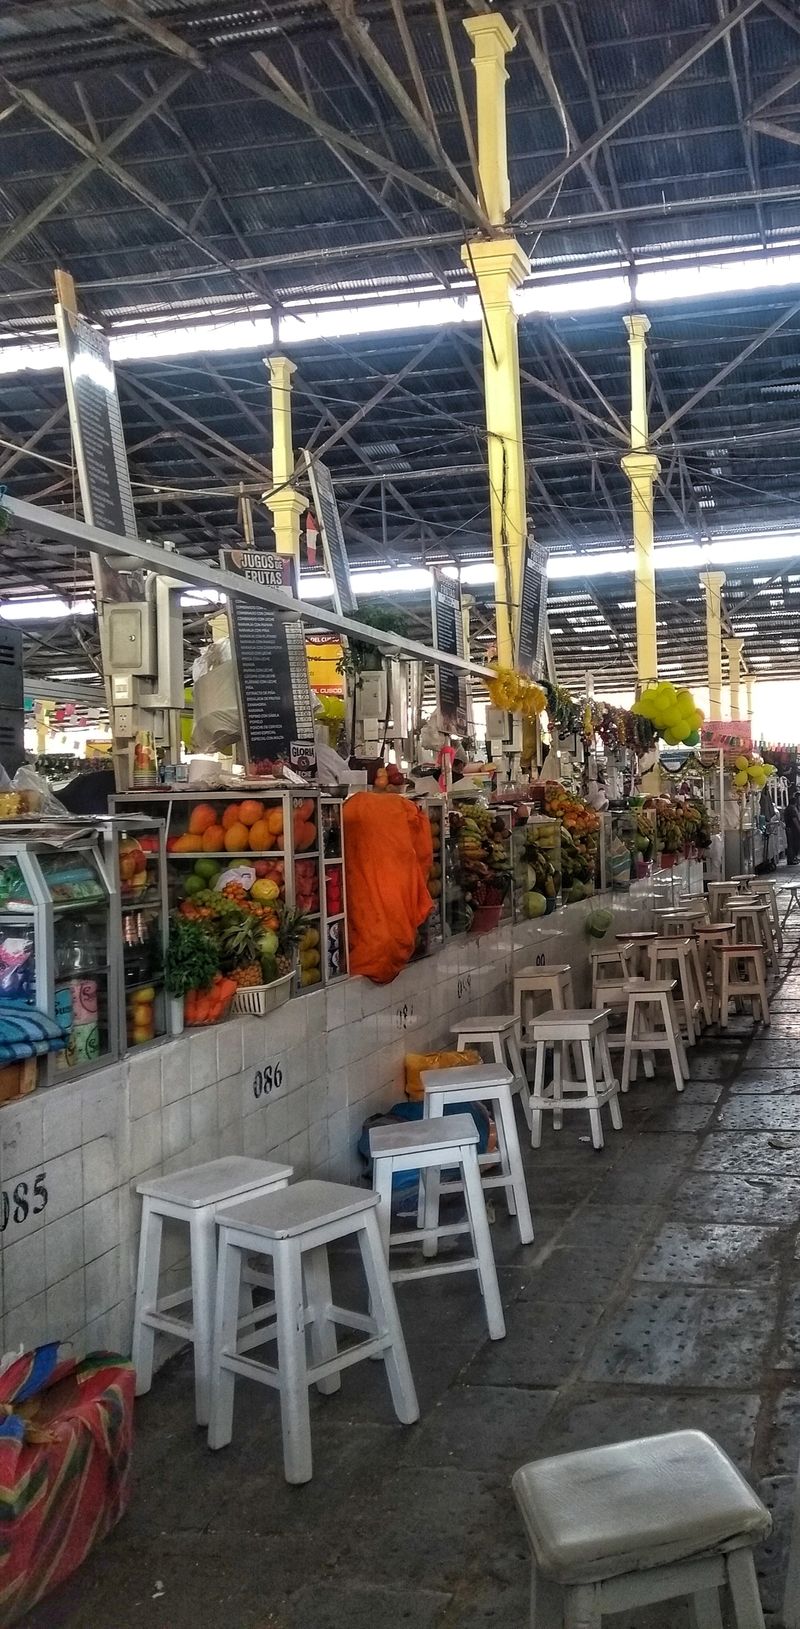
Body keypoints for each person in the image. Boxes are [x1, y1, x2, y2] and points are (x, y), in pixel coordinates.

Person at [784, 793, 800, 865]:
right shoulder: (792, 809)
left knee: (791, 844)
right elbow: (794, 820)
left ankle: (792, 858)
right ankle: (791, 859)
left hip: (790, 829)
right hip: (792, 829)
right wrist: (799, 828)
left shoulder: (789, 808)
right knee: (792, 845)